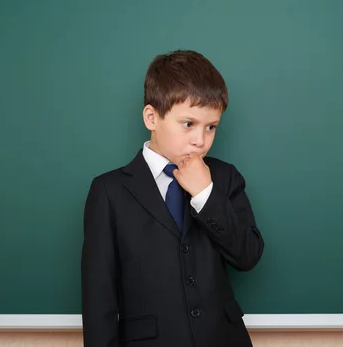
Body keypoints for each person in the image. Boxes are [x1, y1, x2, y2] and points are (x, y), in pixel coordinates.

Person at [81, 49, 265, 347]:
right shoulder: (109, 191)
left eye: (211, 127)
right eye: (188, 124)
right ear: (152, 117)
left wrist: (206, 194)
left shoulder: (224, 178)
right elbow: (98, 298)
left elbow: (249, 255)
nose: (200, 140)